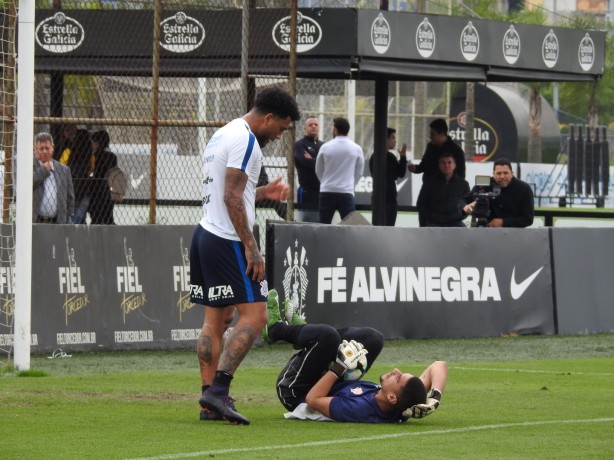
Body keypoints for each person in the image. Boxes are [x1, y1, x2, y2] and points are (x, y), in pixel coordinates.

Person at [191, 86, 300, 425]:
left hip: (205, 234)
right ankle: (218, 391)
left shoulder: (224, 133)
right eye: (280, 128)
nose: (279, 135)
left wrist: (264, 192)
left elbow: (233, 189)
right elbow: (232, 197)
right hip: (228, 240)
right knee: (256, 317)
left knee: (217, 321)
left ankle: (209, 402)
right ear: (268, 118)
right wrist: (252, 248)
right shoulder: (247, 140)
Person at [261, 290, 448, 424]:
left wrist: (341, 366)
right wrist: (435, 397)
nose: (396, 371)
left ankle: (275, 329)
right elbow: (439, 366)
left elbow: (313, 400)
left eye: (398, 377)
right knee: (374, 339)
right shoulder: (401, 402)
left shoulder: (359, 408)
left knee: (328, 337)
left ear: (392, 398)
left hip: (296, 391)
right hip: (328, 382)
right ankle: (306, 336)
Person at [315, 117, 365, 224]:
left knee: (324, 225)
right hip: (346, 192)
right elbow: (359, 171)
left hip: (327, 191)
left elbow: (318, 169)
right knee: (350, 226)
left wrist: (324, 182)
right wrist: (351, 184)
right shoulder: (356, 148)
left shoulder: (325, 147)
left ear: (335, 129)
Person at [463, 157, 534, 228]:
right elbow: (464, 200)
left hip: (514, 234)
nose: (502, 176)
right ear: (493, 174)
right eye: (499, 173)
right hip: (486, 230)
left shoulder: (524, 189)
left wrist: (503, 222)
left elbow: (528, 219)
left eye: (505, 173)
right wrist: (466, 207)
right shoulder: (483, 186)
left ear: (512, 173)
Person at [417, 152, 470, 227]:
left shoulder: (463, 184)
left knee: (467, 236)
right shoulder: (429, 183)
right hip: (434, 223)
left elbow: (468, 205)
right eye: (443, 163)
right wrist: (430, 217)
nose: (446, 165)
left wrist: (459, 216)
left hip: (456, 222)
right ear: (439, 165)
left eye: (449, 162)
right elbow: (421, 204)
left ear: (454, 165)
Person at [33, 132, 75, 224]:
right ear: (35, 149)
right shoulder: (30, 166)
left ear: (52, 148)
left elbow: (70, 197)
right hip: (35, 221)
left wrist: (69, 217)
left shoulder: (64, 170)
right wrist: (45, 170)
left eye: (47, 148)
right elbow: (29, 184)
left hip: (57, 222)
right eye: (41, 148)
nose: (44, 151)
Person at [369, 127, 407, 226]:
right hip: (385, 199)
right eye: (393, 138)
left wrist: (403, 157)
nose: (395, 141)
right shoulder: (378, 157)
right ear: (385, 139)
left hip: (387, 199)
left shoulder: (389, 156)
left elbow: (400, 173)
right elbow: (394, 175)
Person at [56, 128, 93, 224]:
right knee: (80, 215)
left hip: (69, 187)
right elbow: (91, 170)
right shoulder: (90, 156)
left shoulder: (68, 152)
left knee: (70, 212)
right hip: (84, 189)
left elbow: (60, 167)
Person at [294, 116, 323, 222]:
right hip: (306, 190)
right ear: (305, 128)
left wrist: (313, 159)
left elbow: (328, 165)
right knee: (305, 221)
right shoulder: (300, 145)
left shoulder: (323, 145)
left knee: (322, 222)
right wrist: (319, 162)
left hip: (322, 190)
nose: (313, 126)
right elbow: (305, 162)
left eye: (316, 124)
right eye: (310, 125)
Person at [88, 130, 118, 225]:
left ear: (98, 143)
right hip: (108, 189)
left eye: (93, 143)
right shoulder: (112, 156)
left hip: (96, 189)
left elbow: (92, 172)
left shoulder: (95, 156)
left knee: (96, 218)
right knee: (108, 216)